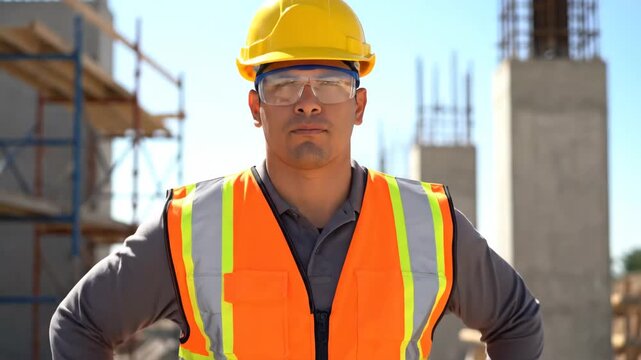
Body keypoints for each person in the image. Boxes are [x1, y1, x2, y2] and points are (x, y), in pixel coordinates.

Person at [49, 1, 543, 359]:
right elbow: (80, 325)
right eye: (283, 84)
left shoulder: (429, 225)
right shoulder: (189, 228)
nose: (308, 101)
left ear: (359, 105)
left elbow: (516, 320)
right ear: (255, 107)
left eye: (330, 83)